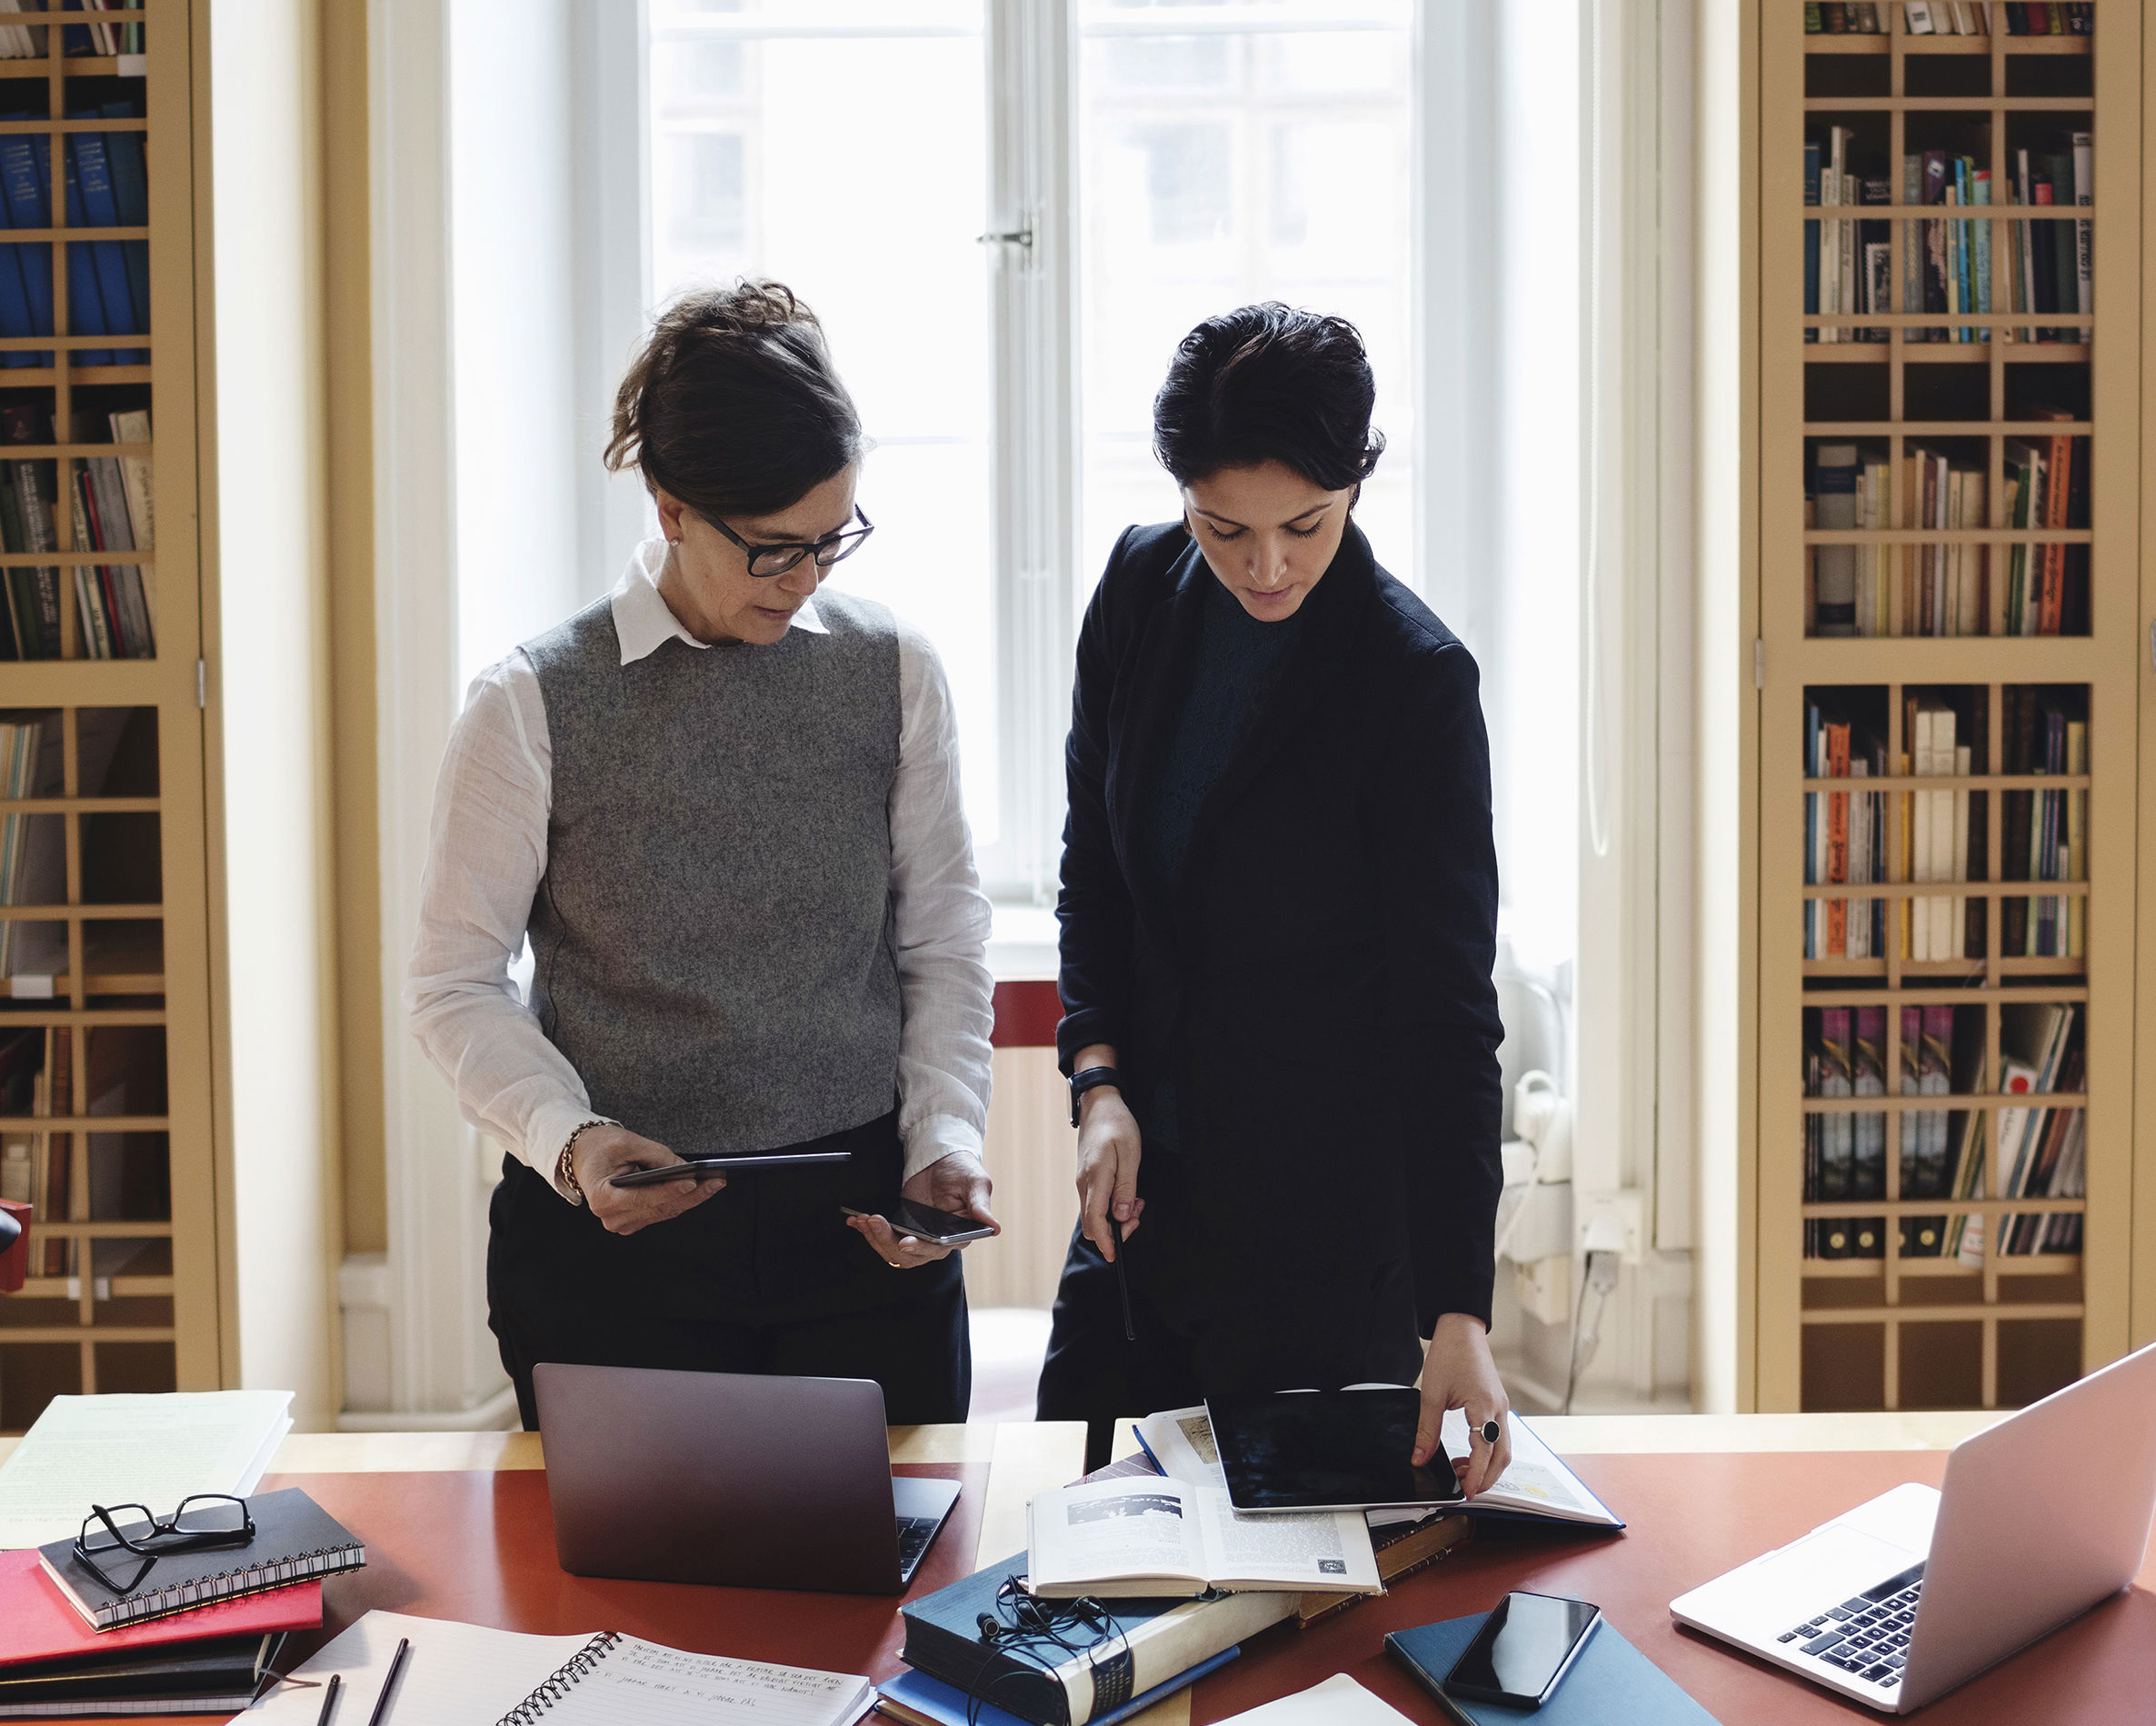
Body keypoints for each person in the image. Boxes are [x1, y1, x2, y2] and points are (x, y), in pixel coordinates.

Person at [406, 279, 996, 1427]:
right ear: (673, 509)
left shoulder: (895, 671)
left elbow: (942, 935)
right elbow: (454, 985)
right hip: (615, 1260)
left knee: (901, 1581)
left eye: (833, 540)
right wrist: (568, 1145)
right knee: (630, 1599)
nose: (809, 577)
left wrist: (944, 1138)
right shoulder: (528, 704)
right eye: (775, 550)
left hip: (866, 1239)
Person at [1033, 302, 1512, 1491]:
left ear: (1358, 479)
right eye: (1221, 526)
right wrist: (1097, 1081)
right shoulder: (1140, 590)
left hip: (1325, 1246)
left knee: (1293, 1604)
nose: (1265, 565)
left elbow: (1447, 1015)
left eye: (1304, 524)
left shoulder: (1415, 683)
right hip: (1144, 1212)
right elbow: (1095, 859)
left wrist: (1459, 1313)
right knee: (1072, 1545)